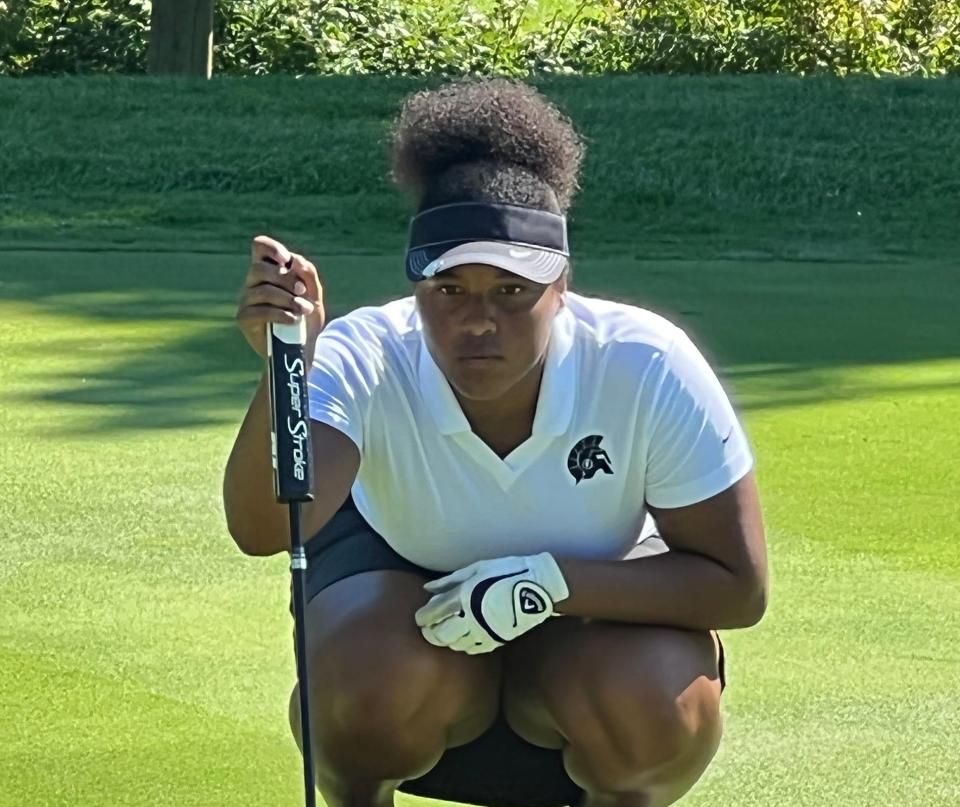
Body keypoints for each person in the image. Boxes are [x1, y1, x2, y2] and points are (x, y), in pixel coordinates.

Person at [223, 77, 768, 807]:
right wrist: (286, 366)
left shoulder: (647, 361)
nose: (478, 321)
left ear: (562, 286)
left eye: (512, 291)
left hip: (591, 618)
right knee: (365, 681)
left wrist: (547, 584)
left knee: (654, 708)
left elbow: (740, 582)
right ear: (417, 290)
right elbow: (262, 528)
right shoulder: (363, 351)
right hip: (402, 607)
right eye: (449, 291)